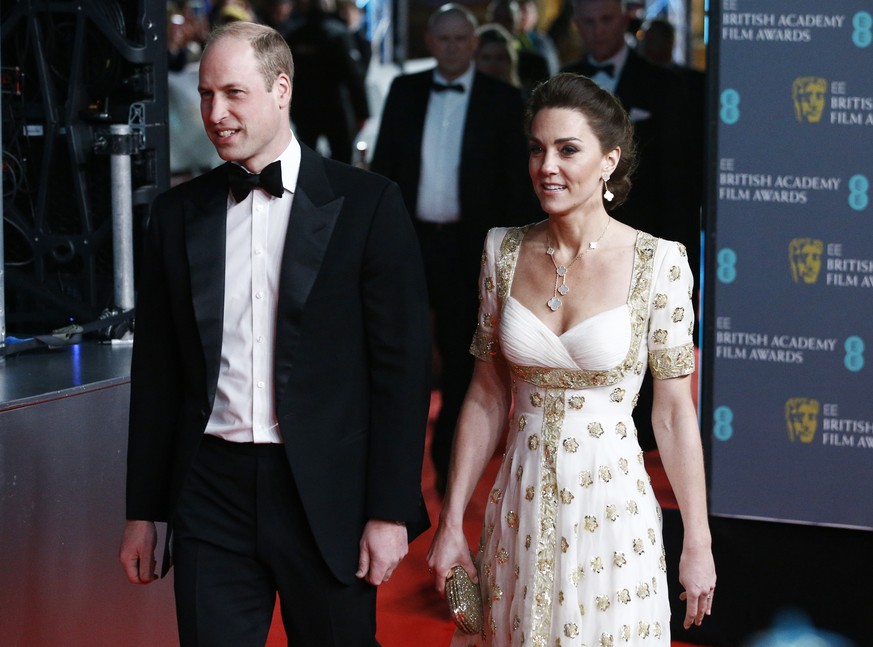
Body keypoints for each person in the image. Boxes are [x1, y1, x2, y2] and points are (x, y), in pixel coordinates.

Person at [118, 21, 432, 646]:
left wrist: (388, 510)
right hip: (209, 492)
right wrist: (144, 511)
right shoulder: (177, 215)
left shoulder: (368, 204)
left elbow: (401, 373)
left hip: (325, 493)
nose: (216, 113)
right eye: (206, 95)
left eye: (234, 93)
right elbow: (158, 373)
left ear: (281, 88)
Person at [426, 73, 716, 645]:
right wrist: (450, 517)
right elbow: (486, 394)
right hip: (519, 504)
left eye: (567, 149)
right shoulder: (500, 251)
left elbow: (675, 416)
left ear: (609, 161)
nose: (547, 166)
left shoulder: (659, 264)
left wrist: (699, 544)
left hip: (612, 510)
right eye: (536, 149)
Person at [370, 3, 540, 496]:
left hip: (470, 249)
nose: (450, 47)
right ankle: (394, 473)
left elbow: (513, 187)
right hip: (411, 244)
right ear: (430, 42)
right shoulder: (405, 91)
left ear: (473, 42)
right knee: (400, 358)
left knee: (465, 364)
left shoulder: (505, 100)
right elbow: (383, 173)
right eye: (442, 39)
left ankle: (449, 472)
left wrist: (509, 257)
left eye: (459, 40)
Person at [562, 0, 700, 450]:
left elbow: (680, 181)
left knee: (642, 366)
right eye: (589, 21)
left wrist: (676, 259)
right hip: (575, 249)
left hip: (642, 248)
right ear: (577, 23)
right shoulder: (562, 85)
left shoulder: (665, 85)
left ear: (625, 21)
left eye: (606, 20)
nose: (597, 30)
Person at [284, 0, 370, 164]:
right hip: (335, 108)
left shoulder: (295, 33)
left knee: (306, 164)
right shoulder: (338, 33)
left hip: (305, 108)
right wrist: (362, 112)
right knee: (341, 164)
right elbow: (354, 77)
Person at [474, 23, 521, 88]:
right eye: (486, 58)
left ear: (509, 61)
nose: (493, 64)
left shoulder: (517, 95)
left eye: (500, 58)